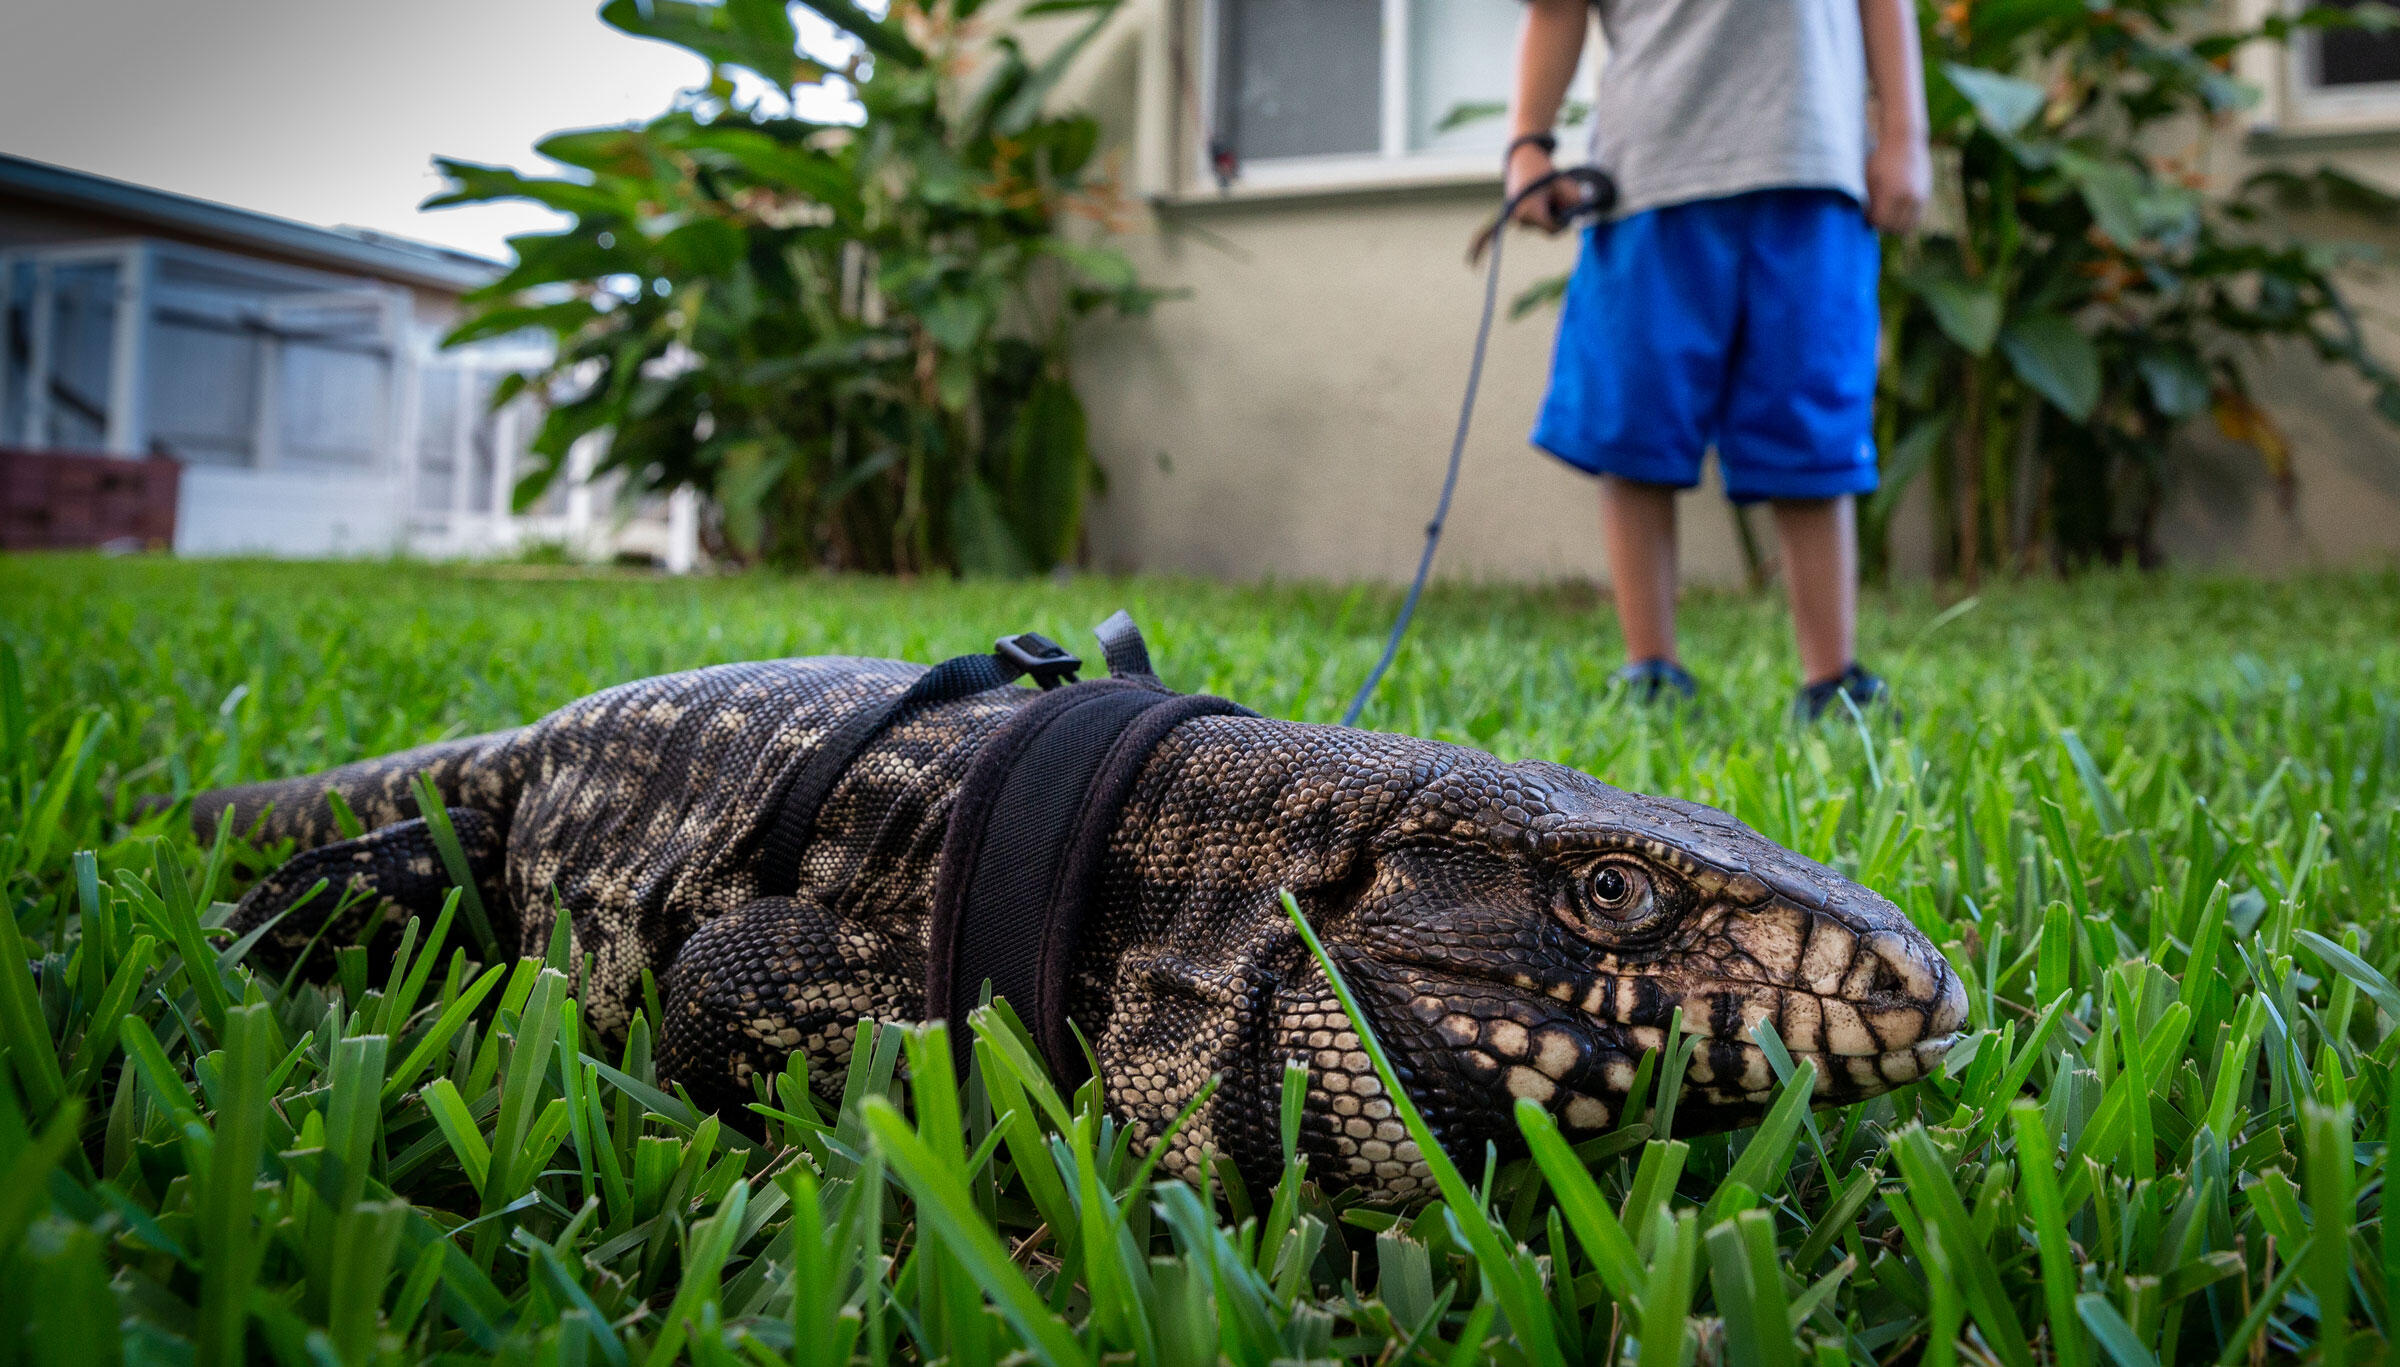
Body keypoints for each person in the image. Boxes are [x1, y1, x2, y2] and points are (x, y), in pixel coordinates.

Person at [1505, 0, 1930, 719]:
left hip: (1811, 168)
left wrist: (1904, 137)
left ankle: (1831, 681)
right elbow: (1556, 9)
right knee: (1635, 428)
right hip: (1648, 182)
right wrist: (1527, 144)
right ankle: (1651, 671)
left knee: (1811, 427)